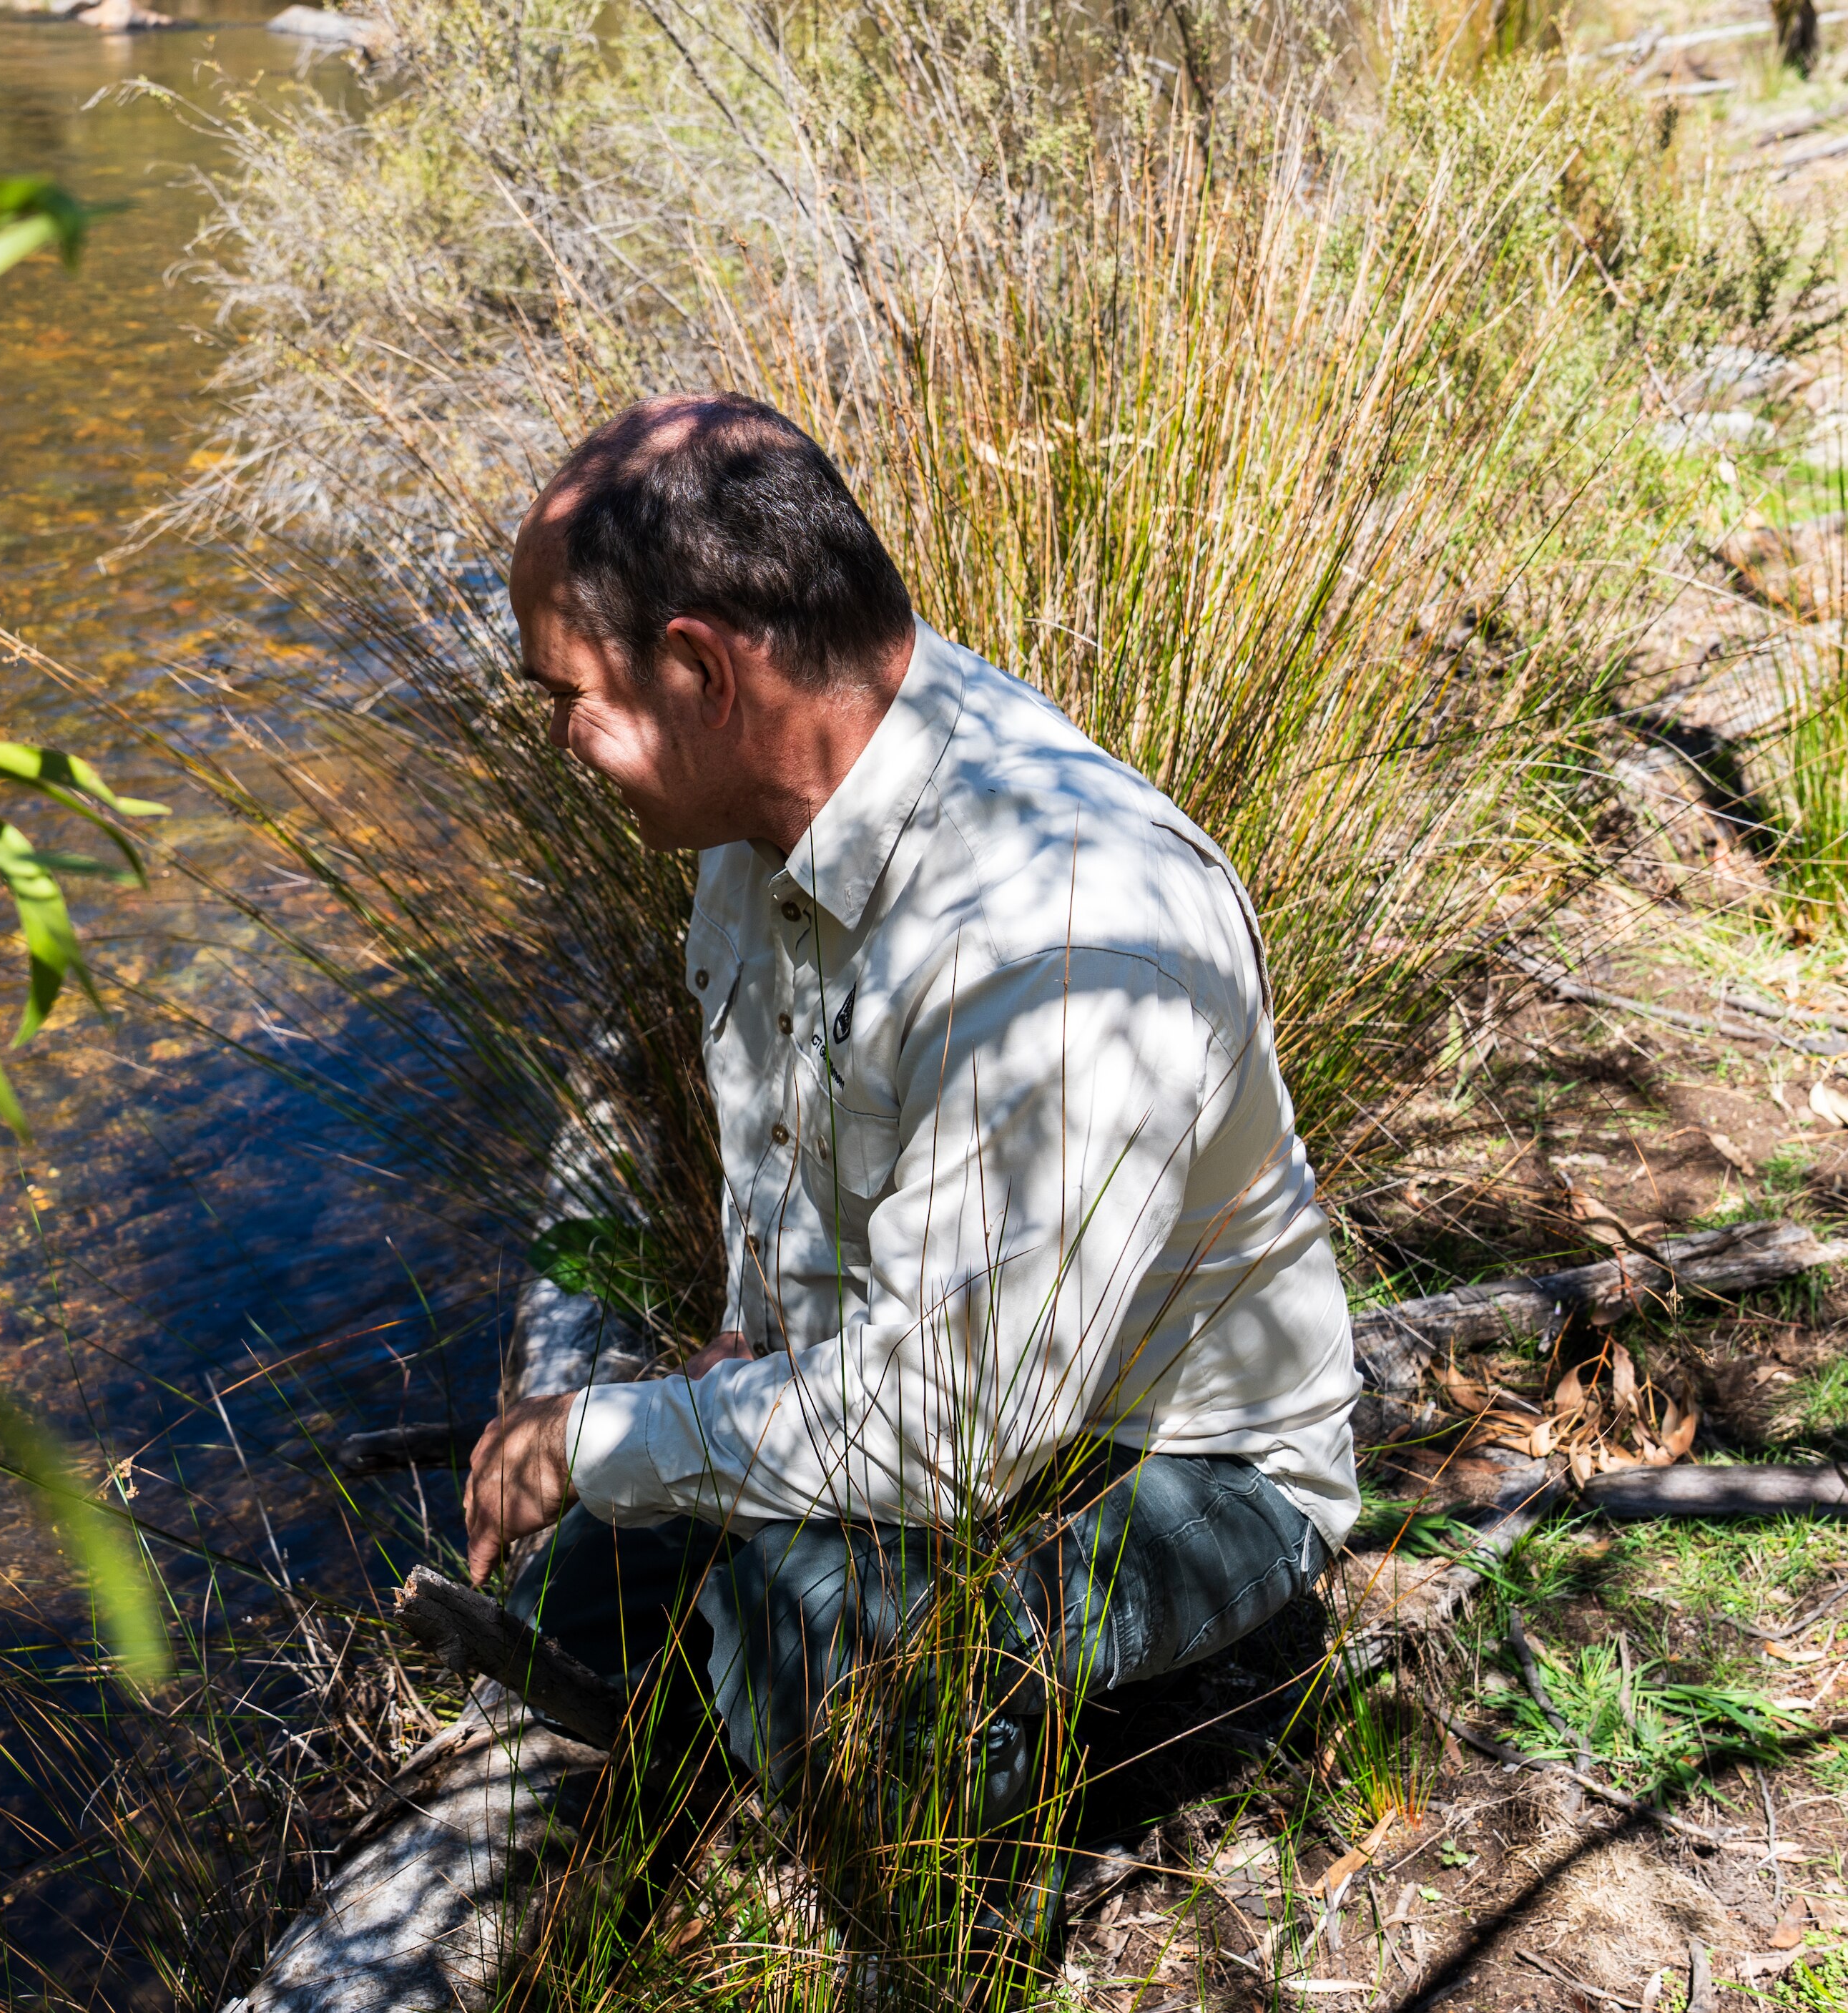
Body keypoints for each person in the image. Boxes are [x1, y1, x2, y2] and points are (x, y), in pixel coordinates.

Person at [460, 393, 1360, 1907]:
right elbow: (791, 1178)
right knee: (595, 1587)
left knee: (806, 1628)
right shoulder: (757, 826)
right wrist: (730, 1363)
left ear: (699, 669)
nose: (557, 740)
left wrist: (604, 1437)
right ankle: (696, 1734)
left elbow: (952, 1432)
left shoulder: (1058, 939)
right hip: (960, 1392)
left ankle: (937, 1919)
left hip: (1178, 1466)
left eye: (566, 696)